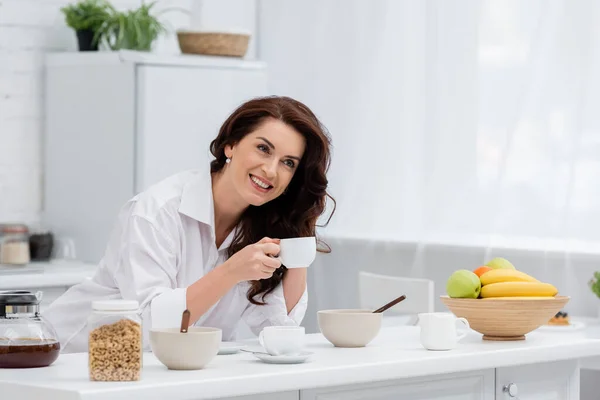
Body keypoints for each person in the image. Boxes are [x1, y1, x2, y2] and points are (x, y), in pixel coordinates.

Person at [42, 96, 335, 353]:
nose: (271, 170)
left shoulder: (263, 226)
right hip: (71, 362)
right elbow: (149, 326)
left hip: (163, 372)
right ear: (230, 145)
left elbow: (277, 327)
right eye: (263, 148)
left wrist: (299, 241)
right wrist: (231, 271)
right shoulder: (156, 212)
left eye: (288, 163)